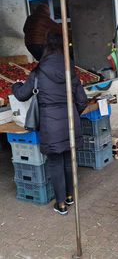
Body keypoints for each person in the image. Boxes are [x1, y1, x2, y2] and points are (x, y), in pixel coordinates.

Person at [12, 32, 87, 215]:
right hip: (70, 121)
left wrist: (15, 86)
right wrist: (72, 113)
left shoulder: (38, 72)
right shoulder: (71, 70)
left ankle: (61, 204)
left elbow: (22, 95)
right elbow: (82, 100)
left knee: (55, 163)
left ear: (45, 48)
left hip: (50, 124)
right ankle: (70, 196)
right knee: (69, 160)